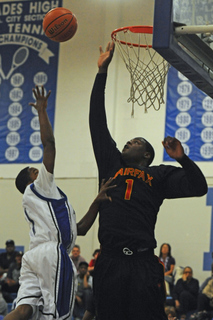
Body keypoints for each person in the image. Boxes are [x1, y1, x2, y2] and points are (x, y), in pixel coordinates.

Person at [89, 41, 207, 320]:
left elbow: (199, 187)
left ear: (147, 155)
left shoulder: (159, 175)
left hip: (143, 262)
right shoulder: (111, 163)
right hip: (110, 260)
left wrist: (183, 159)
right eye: (128, 141)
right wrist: (101, 73)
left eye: (136, 142)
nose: (128, 142)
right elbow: (96, 121)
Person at [4, 86, 116, 320]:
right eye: (36, 170)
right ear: (32, 176)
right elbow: (49, 144)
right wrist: (42, 111)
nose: (40, 169)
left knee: (24, 310)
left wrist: (96, 201)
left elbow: (81, 229)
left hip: (33, 256)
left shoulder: (48, 202)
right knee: (57, 316)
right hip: (52, 254)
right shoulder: (38, 186)